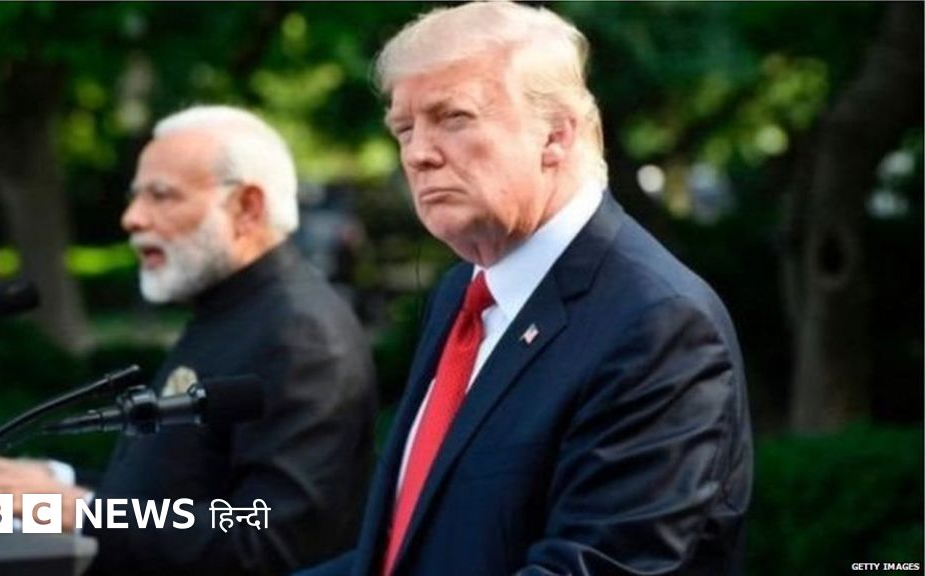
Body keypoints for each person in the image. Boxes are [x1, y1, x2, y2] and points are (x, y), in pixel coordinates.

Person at [300, 3, 752, 576]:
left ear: (555, 135)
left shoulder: (658, 322)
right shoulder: (462, 293)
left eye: (453, 117)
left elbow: (597, 564)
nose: (418, 153)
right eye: (404, 129)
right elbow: (404, 551)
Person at [0, 105, 377, 575]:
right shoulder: (234, 307)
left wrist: (85, 512)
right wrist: (61, 483)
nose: (132, 218)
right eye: (135, 197)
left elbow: (265, 536)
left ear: (246, 208)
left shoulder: (300, 334)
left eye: (161, 195)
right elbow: (181, 490)